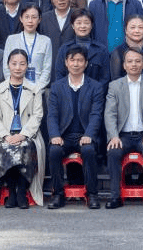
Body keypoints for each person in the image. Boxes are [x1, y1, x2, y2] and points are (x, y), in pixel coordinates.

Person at [103, 46, 143, 210]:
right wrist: (113, 136)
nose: (134, 64)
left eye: (138, 61)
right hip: (122, 135)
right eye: (130, 61)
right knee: (113, 151)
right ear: (124, 65)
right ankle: (115, 196)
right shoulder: (115, 86)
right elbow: (110, 114)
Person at [45, 45, 105, 209]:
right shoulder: (57, 86)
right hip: (63, 136)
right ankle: (58, 194)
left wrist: (89, 134)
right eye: (72, 60)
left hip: (85, 134)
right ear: (66, 62)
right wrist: (55, 135)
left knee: (89, 150)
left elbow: (96, 115)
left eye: (80, 60)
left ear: (86, 63)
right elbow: (52, 115)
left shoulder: (95, 87)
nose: (76, 64)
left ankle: (92, 194)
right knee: (54, 151)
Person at [0, 49, 45, 208]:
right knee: (6, 147)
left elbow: (37, 116)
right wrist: (6, 136)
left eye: (22, 64)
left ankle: (21, 193)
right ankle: (11, 192)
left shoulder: (34, 89)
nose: (18, 67)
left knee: (24, 147)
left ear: (27, 66)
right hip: (5, 134)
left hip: (28, 134)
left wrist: (23, 135)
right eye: (14, 63)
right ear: (8, 65)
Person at [2, 5, 52, 90]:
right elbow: (6, 67)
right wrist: (15, 85)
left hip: (38, 90)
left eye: (34, 17)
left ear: (39, 19)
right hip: (15, 88)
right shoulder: (11, 39)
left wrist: (37, 88)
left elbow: (47, 69)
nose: (30, 21)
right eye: (27, 17)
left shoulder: (46, 41)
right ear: (21, 19)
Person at [55, 10, 110, 85]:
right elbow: (59, 75)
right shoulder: (64, 49)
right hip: (68, 91)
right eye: (78, 23)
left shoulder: (101, 50)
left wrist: (95, 91)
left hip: (95, 91)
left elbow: (105, 78)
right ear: (72, 25)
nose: (83, 26)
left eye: (86, 23)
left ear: (91, 25)